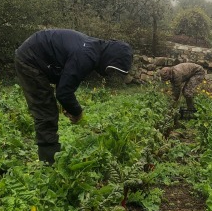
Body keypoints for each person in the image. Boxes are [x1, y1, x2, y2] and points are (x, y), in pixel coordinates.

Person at [15, 29, 133, 163]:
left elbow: (65, 83)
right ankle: (48, 163)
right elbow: (64, 92)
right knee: (45, 110)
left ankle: (49, 157)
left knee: (49, 106)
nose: (110, 73)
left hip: (38, 56)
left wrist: (68, 105)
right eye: (112, 69)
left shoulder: (92, 49)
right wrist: (77, 112)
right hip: (30, 59)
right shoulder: (87, 55)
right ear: (111, 57)